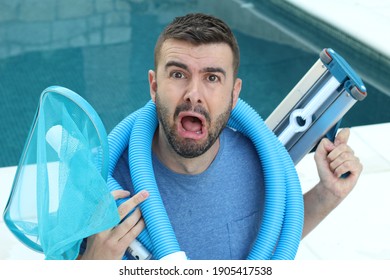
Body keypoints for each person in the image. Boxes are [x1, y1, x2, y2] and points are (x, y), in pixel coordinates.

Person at [79, 13, 363, 260]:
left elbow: (273, 245)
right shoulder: (99, 179)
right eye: (178, 74)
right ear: (154, 86)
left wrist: (328, 194)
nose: (194, 94)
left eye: (212, 78)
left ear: (234, 93)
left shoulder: (260, 164)